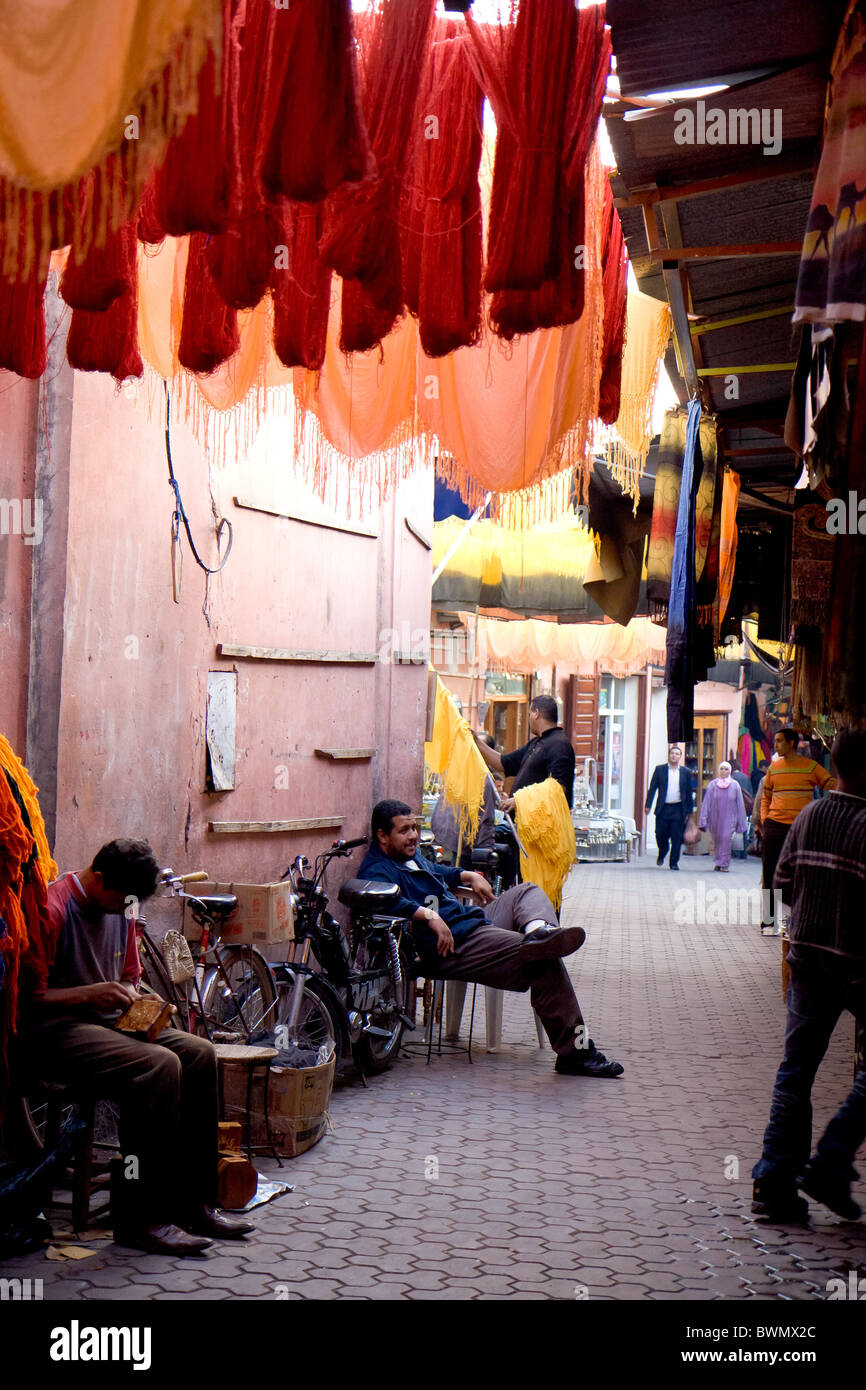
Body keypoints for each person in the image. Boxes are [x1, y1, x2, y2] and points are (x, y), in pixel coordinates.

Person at [17, 839, 254, 1255]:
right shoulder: (53, 908)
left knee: (200, 1053)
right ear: (100, 877)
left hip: (107, 1022)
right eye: (120, 900)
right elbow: (26, 999)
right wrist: (91, 994)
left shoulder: (124, 904)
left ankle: (192, 1201)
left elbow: (129, 973)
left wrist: (131, 995)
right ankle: (140, 1218)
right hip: (55, 1032)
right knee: (158, 1066)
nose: (125, 909)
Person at [358, 801, 624, 1077]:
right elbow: (380, 899)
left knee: (526, 891)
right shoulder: (378, 870)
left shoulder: (410, 855)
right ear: (382, 836)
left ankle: (537, 932)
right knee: (546, 961)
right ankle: (577, 1052)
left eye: (414, 827)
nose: (413, 835)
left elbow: (442, 873)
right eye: (404, 830)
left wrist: (468, 874)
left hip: (469, 921)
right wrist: (429, 915)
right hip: (453, 944)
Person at [752, 728, 866, 1224]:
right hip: (857, 966)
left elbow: (783, 883)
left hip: (807, 959)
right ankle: (832, 1160)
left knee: (795, 1073)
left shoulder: (810, 815)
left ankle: (773, 1186)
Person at [761, 728, 837, 895]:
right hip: (775, 826)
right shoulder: (773, 768)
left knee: (798, 872)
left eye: (779, 741)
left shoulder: (810, 767)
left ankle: (791, 916)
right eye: (775, 741)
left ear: (791, 743)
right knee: (769, 872)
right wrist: (765, 819)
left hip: (801, 827)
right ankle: (769, 918)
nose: (775, 745)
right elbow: (765, 798)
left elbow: (832, 784)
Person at [472, 694, 575, 813]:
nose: (529, 718)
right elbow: (503, 763)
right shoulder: (536, 743)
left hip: (544, 828)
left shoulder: (559, 745)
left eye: (530, 714)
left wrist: (518, 800)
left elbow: (558, 788)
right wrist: (476, 742)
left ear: (536, 713)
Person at [431, 732, 499, 860]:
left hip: (456, 848)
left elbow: (486, 819)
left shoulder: (482, 780)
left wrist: (484, 852)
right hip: (448, 845)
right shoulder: (457, 774)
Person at [644, 744, 696, 870]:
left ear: (680, 757)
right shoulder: (660, 770)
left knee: (676, 837)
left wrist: (690, 811)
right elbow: (652, 789)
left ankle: (673, 862)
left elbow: (689, 792)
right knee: (660, 834)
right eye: (672, 753)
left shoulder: (685, 772)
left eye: (677, 754)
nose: (674, 756)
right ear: (669, 755)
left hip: (678, 809)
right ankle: (662, 852)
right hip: (663, 808)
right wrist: (648, 805)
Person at [697, 762, 748, 871]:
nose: (723, 771)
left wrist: (741, 821)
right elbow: (706, 802)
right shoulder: (713, 785)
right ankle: (718, 861)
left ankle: (724, 864)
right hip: (715, 818)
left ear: (730, 771)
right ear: (718, 770)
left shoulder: (735, 785)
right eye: (722, 769)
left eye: (726, 769)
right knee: (718, 840)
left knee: (726, 839)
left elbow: (740, 804)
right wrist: (703, 819)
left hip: (730, 818)